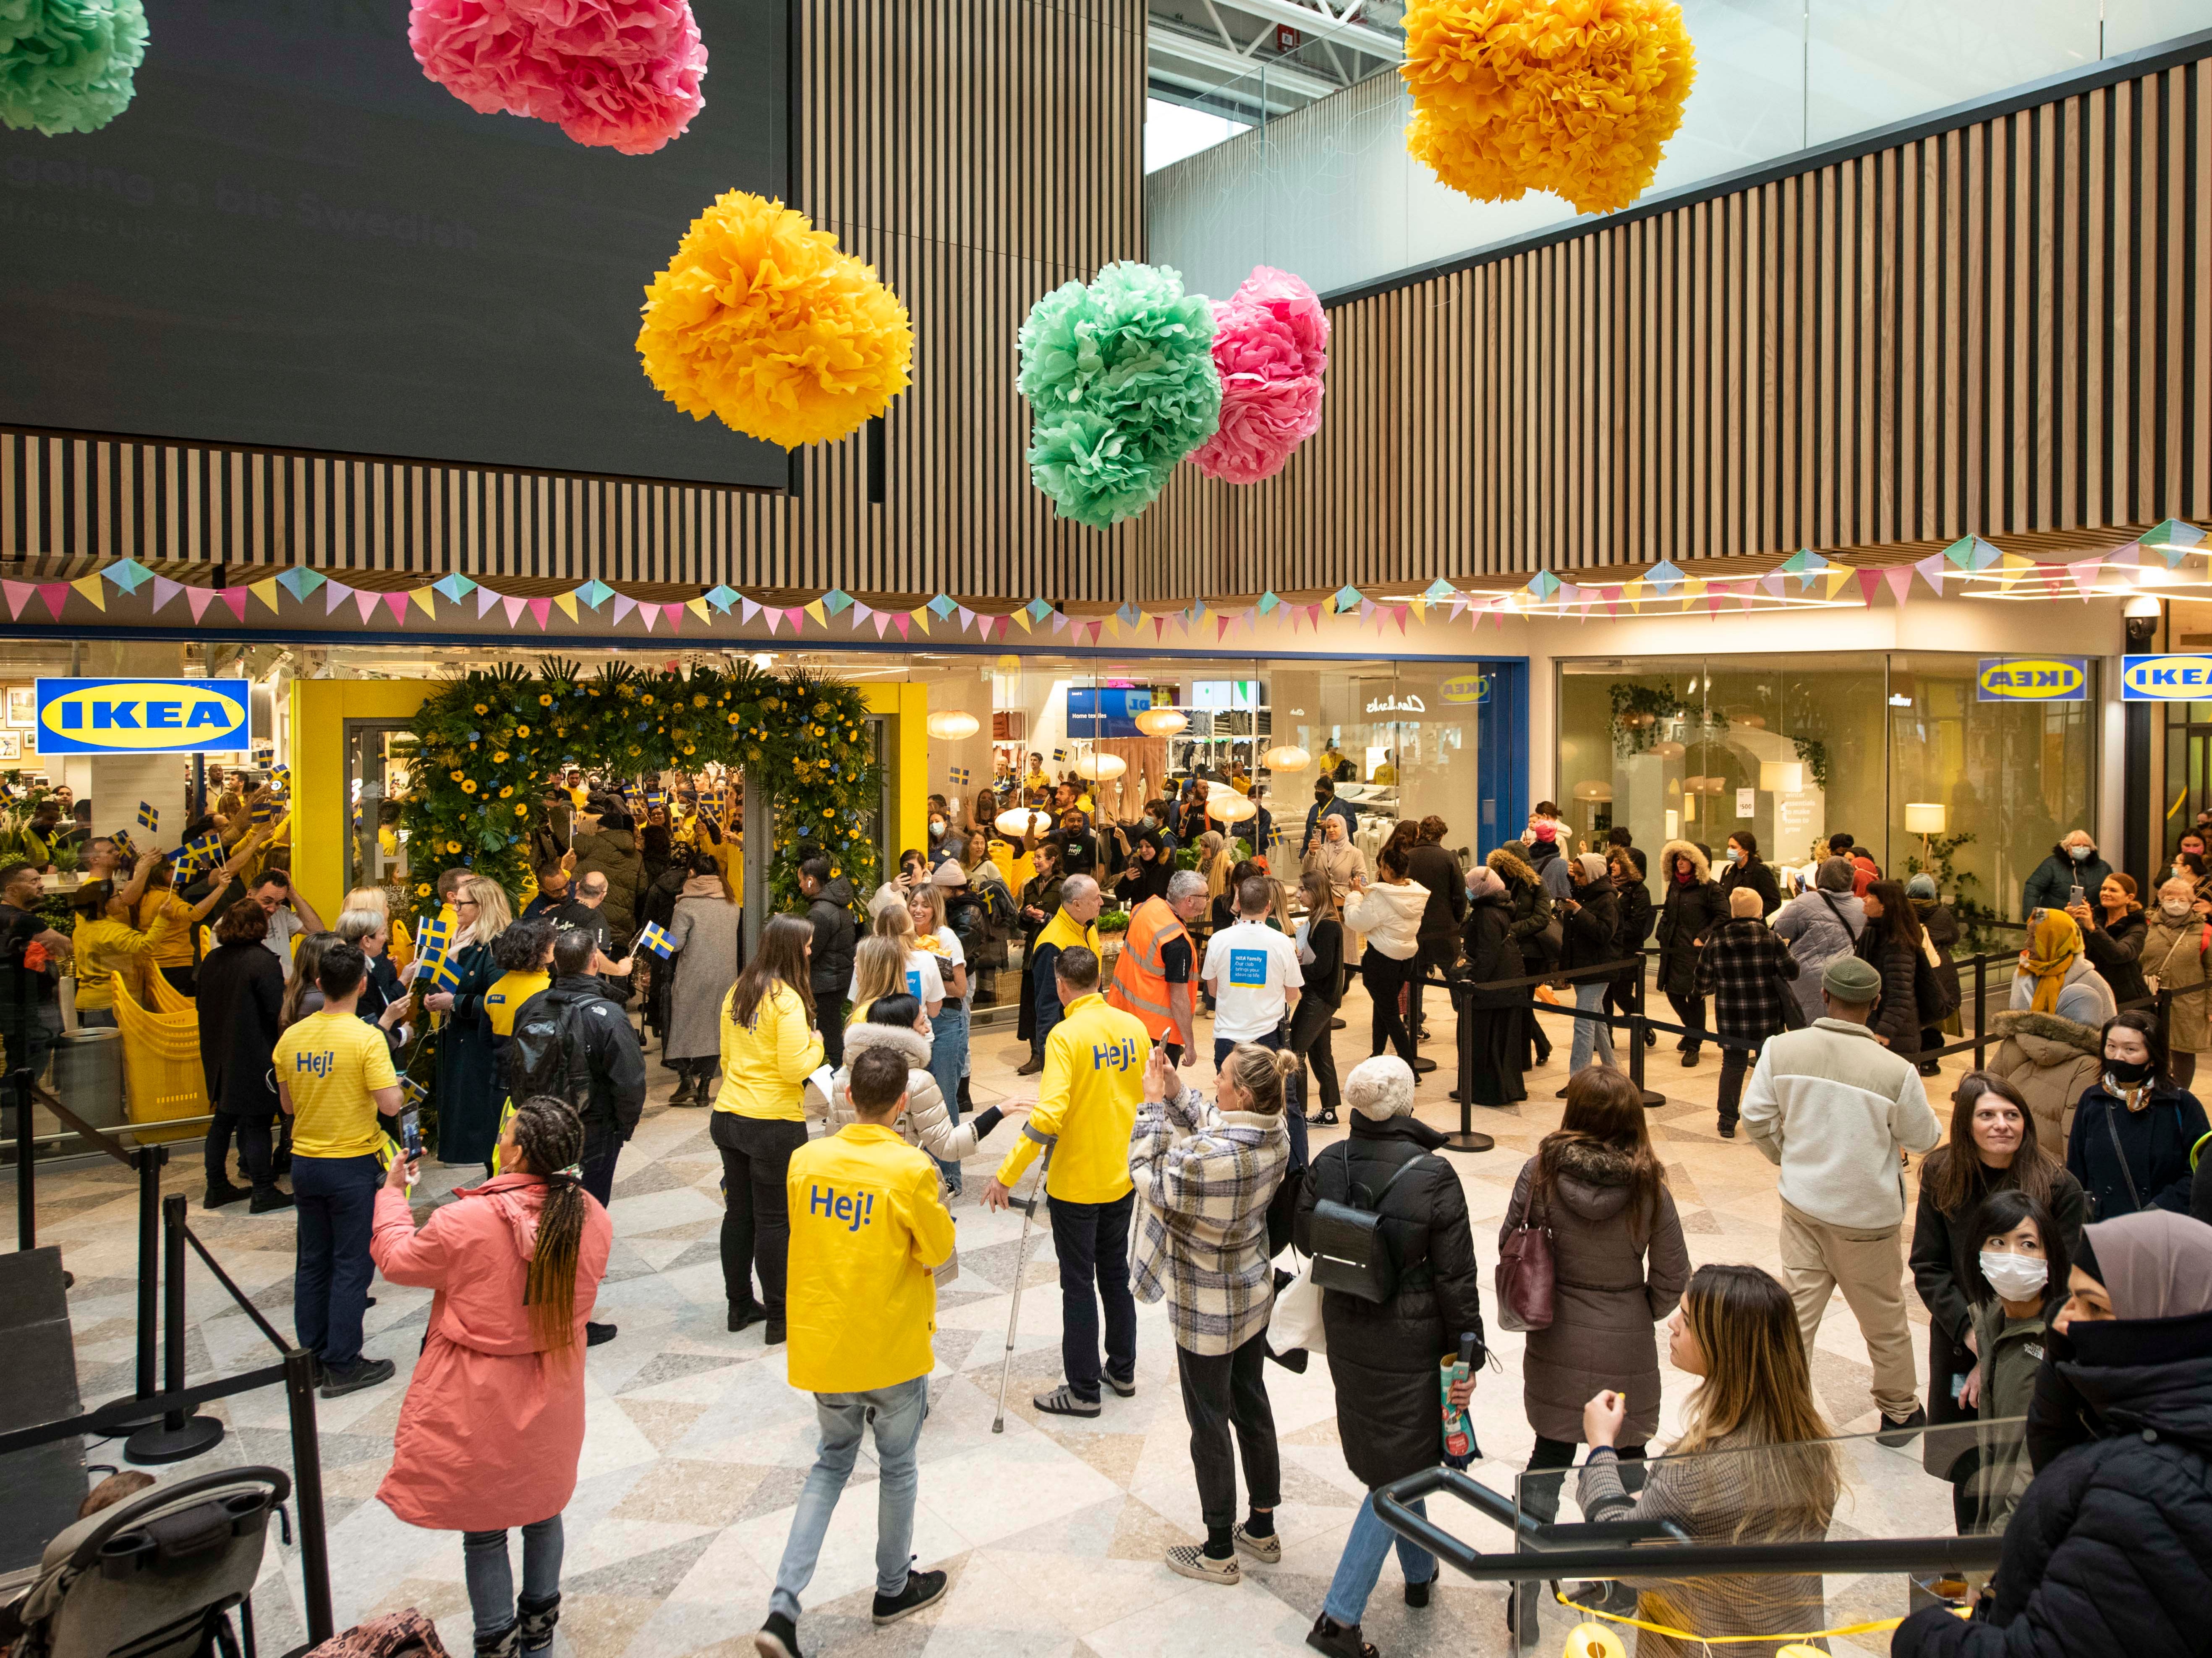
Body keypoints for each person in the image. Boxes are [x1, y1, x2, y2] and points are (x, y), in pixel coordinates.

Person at [1893, 1210, 2212, 1658]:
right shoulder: (2156, 1418)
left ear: (2166, 1326)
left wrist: (1923, 1635)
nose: (2063, 1321)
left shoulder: (2143, 1491)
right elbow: (2055, 1467)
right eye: (2071, 1299)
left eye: (2095, 1307)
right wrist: (2065, 1364)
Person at [371, 1097, 612, 1658]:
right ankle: (539, 1638)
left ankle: (495, 1639)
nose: (499, 1137)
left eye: (506, 1131)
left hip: (478, 1397)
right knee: (543, 1507)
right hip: (554, 1388)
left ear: (520, 1149)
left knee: (483, 1526)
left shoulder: (467, 1220)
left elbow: (397, 1259)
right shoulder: (591, 1215)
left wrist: (391, 1193)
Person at [754, 1044, 955, 1658]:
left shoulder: (806, 1160)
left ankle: (783, 1607)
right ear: (902, 1104)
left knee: (830, 1462)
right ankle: (892, 1587)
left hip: (827, 1344)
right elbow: (936, 1250)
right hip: (891, 1345)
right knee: (897, 1468)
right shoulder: (911, 1168)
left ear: (846, 1096)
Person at [1297, 1057, 1483, 1658]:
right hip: (1411, 1334)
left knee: (1402, 1449)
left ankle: (1420, 1572)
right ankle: (1338, 1618)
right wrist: (1467, 1346)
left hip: (1349, 1328)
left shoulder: (1328, 1161)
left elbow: (1305, 1236)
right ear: (1404, 1103)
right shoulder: (1434, 1174)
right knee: (1395, 1472)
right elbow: (1456, 1274)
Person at [1502, 1067, 1689, 1640]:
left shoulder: (1540, 1171)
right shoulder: (1649, 1184)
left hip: (1556, 1332)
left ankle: (1525, 1588)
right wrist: (1637, 1308)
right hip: (1625, 1333)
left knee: (1548, 1453)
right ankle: (1621, 1584)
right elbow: (1672, 1273)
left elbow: (1511, 1241)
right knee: (1627, 1461)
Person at [1575, 1264, 1841, 1658]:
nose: (1672, 1325)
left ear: (1726, 1345)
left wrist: (1600, 1447)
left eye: (1687, 1318)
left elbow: (1623, 1554)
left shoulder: (1694, 1470)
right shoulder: (1809, 1445)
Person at [1739, 954, 1941, 1437]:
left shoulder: (1781, 1049)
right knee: (1883, 1318)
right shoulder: (1894, 1070)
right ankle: (1899, 1411)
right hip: (1865, 1217)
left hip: (1802, 1204)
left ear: (1824, 997)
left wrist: (1784, 1156)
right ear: (1874, 1004)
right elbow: (1924, 1138)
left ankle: (1782, 1411)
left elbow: (1754, 1117)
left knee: (1796, 1316)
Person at [1128, 1041, 1294, 1584]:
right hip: (1251, 1291)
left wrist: (1152, 1104)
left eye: (1220, 1076)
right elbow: (1217, 1124)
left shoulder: (1208, 1161)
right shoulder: (1275, 1132)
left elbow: (1147, 1173)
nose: (1214, 1082)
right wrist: (1177, 1092)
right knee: (1251, 1402)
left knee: (1208, 1420)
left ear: (1241, 1091)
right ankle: (1262, 1527)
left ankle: (1219, 1547)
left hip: (1204, 1304)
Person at [983, 945, 1150, 1418]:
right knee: (1114, 1274)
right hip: (1122, 1175)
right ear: (1100, 979)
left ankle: (1082, 1390)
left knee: (1077, 1284)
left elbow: (1049, 1114)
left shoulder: (1063, 1036)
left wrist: (1006, 1173)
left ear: (1060, 985)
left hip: (1076, 1182)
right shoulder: (1132, 1027)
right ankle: (1122, 1369)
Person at [1909, 1073, 2086, 1494]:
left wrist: (1998, 1349)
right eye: (1986, 1115)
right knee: (1967, 1469)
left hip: (2029, 1344)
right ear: (1965, 1124)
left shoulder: (2058, 1186)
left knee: (2023, 1468)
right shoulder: (1941, 1173)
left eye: (2011, 1114)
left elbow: (2063, 1281)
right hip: (1959, 1338)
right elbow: (1929, 1267)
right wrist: (1975, 1339)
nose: (2000, 1124)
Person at [275, 940, 402, 1397]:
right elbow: (390, 1104)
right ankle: (343, 1363)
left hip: (305, 1161)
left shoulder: (292, 1036)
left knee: (312, 1262)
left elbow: (287, 1104)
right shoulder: (366, 1037)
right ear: (363, 984)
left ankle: (309, 1357)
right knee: (351, 1265)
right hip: (350, 1162)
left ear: (317, 983)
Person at [712, 914, 823, 1343]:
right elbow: (794, 1066)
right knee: (775, 1221)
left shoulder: (738, 990)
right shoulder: (788, 1000)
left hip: (728, 1117)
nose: (811, 952)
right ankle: (780, 1317)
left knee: (739, 1215)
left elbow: (725, 1056)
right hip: (772, 1123)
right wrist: (817, 1044)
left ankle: (738, 1304)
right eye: (808, 945)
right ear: (793, 949)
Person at [509, 925, 646, 1253]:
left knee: (544, 1208)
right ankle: (573, 1280)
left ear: (554, 963)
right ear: (595, 962)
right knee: (588, 1212)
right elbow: (629, 1082)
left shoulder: (530, 1007)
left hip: (539, 1129)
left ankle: (544, 1271)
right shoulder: (608, 1015)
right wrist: (623, 1128)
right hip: (592, 1130)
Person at [1945, 1187, 2072, 1534]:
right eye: (1997, 1242)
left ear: (2050, 1256)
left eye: (2027, 1244)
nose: (2011, 1255)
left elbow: (2034, 1471)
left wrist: (1990, 1560)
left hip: (2028, 1532)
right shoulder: (1991, 1319)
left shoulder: (2060, 1340)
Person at [820, 994, 1018, 1200]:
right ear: (906, 1031)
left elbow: (834, 1139)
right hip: (902, 1187)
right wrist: (997, 1113)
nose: (928, 1028)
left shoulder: (844, 1077)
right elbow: (948, 1146)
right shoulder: (916, 1081)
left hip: (855, 1192)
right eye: (923, 1022)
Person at [2065, 1010, 2209, 1217]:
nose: (2118, 1057)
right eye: (2111, 1046)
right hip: (2106, 1229)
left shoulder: (2181, 1105)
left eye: (2130, 1049)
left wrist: (2160, 1209)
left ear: (2153, 1056)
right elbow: (2077, 1171)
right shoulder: (2092, 1100)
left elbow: (2201, 1172)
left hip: (2164, 1226)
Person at [197, 898, 291, 1212]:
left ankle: (216, 1185)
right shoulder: (263, 962)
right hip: (254, 1053)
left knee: (223, 1119)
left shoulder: (212, 960)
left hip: (217, 1052)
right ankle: (264, 1190)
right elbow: (275, 1012)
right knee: (257, 1122)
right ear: (259, 926)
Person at [1695, 887, 1800, 1137]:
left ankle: (1727, 1121)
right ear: (1759, 911)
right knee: (1769, 1067)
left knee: (1733, 1065)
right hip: (1768, 1016)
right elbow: (1792, 972)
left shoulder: (1716, 939)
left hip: (1731, 1018)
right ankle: (1769, 1119)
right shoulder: (1770, 938)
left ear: (1733, 911)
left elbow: (1701, 982)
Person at [427, 876, 512, 1174]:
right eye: (455, 902)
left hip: (478, 1044)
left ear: (482, 906)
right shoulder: (458, 941)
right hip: (456, 1037)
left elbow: (498, 1000)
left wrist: (453, 1002)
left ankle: (476, 1150)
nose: (456, 908)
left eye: (461, 903)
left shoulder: (495, 947)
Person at [662, 851, 741, 1106]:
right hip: (725, 977)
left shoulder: (686, 905)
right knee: (714, 1030)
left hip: (693, 976)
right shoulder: (731, 902)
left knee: (682, 1026)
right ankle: (705, 1089)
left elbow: (673, 946)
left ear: (692, 873)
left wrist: (654, 938)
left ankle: (687, 1080)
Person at [1208, 872, 1307, 1069]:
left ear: (1239, 903)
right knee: (1268, 1098)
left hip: (1227, 1037)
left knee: (1229, 1096)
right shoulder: (1282, 942)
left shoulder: (1218, 940)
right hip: (1268, 1038)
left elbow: (1213, 991)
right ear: (1268, 906)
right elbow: (1292, 994)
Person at [1107, 868, 1205, 1067]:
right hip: (1157, 1036)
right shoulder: (1177, 942)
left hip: (1123, 1018)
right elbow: (1179, 999)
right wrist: (1190, 1043)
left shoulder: (1146, 908)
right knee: (1156, 1091)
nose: (1208, 900)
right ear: (1190, 900)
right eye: (1206, 896)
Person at [907, 878, 970, 1181]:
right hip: (914, 1024)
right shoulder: (904, 937)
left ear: (936, 908)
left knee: (944, 1099)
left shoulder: (946, 938)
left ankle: (950, 1176)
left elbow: (961, 988)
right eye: (914, 904)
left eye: (925, 905)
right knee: (919, 1101)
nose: (918, 910)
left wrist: (929, 976)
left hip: (946, 1022)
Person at [1453, 866, 1528, 1108]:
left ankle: (1484, 1091)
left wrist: (1472, 983)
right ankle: (1504, 1089)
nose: (1468, 890)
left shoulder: (1486, 914)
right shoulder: (1500, 909)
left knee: (1483, 1038)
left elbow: (1486, 954)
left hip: (1494, 985)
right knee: (1500, 1039)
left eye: (1470, 885)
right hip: (1508, 982)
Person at [1654, 839, 1727, 1067]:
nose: (1680, 863)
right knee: (1673, 993)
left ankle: (1694, 1044)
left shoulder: (1711, 888)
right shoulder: (1675, 885)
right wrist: (1661, 932)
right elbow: (1668, 912)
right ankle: (1694, 1031)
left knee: (1695, 997)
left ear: (1698, 863)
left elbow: (1724, 916)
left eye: (1686, 859)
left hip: (1694, 952)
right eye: (1678, 859)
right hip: (1673, 949)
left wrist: (1703, 937)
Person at [1020, 872, 1101, 1077]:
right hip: (1071, 1040)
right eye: (1096, 898)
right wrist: (1050, 1060)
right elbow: (1046, 1006)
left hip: (1091, 1032)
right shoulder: (1052, 943)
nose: (1101, 902)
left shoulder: (1087, 927)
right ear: (1077, 905)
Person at [1770, 856, 1866, 1029]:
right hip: (1842, 976)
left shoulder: (1805, 901)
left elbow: (1780, 929)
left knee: (1804, 1031)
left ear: (1821, 876)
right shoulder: (1861, 908)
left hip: (1803, 977)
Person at [1554, 851, 1622, 1084]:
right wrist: (1565, 971)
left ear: (1593, 874)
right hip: (1582, 967)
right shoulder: (1581, 895)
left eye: (1582, 875)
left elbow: (1604, 933)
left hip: (1598, 969)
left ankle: (1579, 1080)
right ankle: (1612, 1069)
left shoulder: (1608, 899)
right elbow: (1570, 938)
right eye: (1576, 874)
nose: (1578, 879)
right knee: (1597, 1020)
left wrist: (1579, 913)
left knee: (1583, 1023)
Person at [2139, 874, 2211, 1090]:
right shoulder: (2146, 926)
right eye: (2171, 898)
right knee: (2146, 1048)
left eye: (2183, 899)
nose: (2176, 904)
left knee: (2183, 1053)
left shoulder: (2204, 931)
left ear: (2192, 902)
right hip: (2149, 999)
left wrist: (2210, 1007)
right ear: (2161, 900)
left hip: (2189, 1003)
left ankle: (2179, 1097)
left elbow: (2211, 972)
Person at [0, 860, 69, 1083]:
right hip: (29, 1009)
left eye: (40, 879)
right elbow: (65, 945)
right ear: (12, 890)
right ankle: (15, 1115)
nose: (41, 885)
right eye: (33, 881)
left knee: (20, 1064)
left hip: (17, 1007)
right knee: (26, 1071)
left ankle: (14, 1114)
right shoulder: (22, 919)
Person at [1289, 870, 1346, 1125]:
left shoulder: (1327, 925)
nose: (1299, 894)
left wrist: (1296, 968)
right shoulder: (1320, 921)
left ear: (1316, 892)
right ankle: (1330, 1109)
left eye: (1303, 889)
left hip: (1319, 997)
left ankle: (1298, 1112)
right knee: (1322, 1054)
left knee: (1295, 1051)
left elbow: (1323, 967)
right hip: (1323, 996)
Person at [1854, 879, 1932, 1058]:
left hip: (1896, 1034)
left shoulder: (1897, 943)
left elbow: (1901, 995)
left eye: (1871, 896)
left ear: (1884, 906)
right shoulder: (1874, 932)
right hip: (1877, 1022)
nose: (1865, 899)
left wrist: (1883, 1033)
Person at [1406, 816, 1465, 1041]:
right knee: (1456, 975)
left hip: (1415, 926)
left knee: (1417, 978)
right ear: (1441, 835)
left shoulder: (1409, 856)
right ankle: (1465, 1016)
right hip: (1445, 928)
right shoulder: (1448, 858)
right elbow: (1460, 894)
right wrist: (1457, 920)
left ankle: (1415, 1024)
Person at [797, 856, 858, 1066]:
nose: (800, 885)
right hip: (837, 979)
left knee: (828, 1035)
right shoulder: (838, 905)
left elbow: (810, 951)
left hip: (824, 984)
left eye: (801, 879)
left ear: (811, 880)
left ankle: (840, 1076)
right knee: (830, 1030)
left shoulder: (820, 913)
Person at [67, 877, 152, 1028]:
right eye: (116, 895)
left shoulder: (82, 929)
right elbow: (146, 946)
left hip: (90, 1002)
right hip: (111, 1003)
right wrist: (163, 920)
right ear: (105, 906)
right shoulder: (111, 931)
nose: (121, 899)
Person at [1906, 873, 1963, 1074]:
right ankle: (1930, 1062)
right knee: (1935, 1020)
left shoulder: (1903, 912)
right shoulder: (1943, 914)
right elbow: (1955, 937)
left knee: (1913, 1016)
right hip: (1939, 969)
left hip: (1911, 967)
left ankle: (1912, 1060)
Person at [2075, 869, 2148, 1008]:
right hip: (2089, 991)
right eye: (2104, 889)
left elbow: (2120, 955)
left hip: (2124, 998)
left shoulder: (2137, 927)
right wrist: (2071, 921)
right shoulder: (2093, 918)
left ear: (2129, 897)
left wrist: (2093, 929)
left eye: (2113, 890)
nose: (2106, 893)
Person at [571, 807, 643, 943]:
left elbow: (567, 837)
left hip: (591, 921)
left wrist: (556, 809)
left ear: (602, 827)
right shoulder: (636, 855)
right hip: (621, 927)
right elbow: (642, 888)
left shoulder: (591, 844)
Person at [1604, 845, 1654, 1032]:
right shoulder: (1608, 885)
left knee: (1622, 995)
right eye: (1613, 861)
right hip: (1607, 951)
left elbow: (1638, 925)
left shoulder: (1640, 892)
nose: (1614, 866)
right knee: (1605, 996)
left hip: (1627, 952)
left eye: (1619, 862)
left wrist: (1613, 931)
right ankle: (1606, 1037)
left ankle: (1644, 1025)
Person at [2021, 828, 2114, 927]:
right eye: (2077, 846)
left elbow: (2111, 893)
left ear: (2091, 849)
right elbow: (2033, 889)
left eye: (2086, 846)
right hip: (2056, 924)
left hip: (2091, 924)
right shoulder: (2052, 864)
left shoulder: (2103, 867)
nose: (2082, 849)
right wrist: (2035, 920)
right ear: (2067, 847)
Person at [248, 867, 324, 977]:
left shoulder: (281, 914)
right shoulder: (229, 925)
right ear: (250, 894)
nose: (272, 909)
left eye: (278, 903)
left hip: (286, 990)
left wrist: (293, 895)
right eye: (267, 902)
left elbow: (319, 932)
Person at [1718, 830, 1781, 917]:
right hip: (1729, 924)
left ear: (1746, 850)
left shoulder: (1760, 871)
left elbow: (1775, 901)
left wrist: (1754, 914)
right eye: (1729, 847)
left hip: (1751, 925)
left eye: (1733, 847)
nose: (1729, 850)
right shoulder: (1728, 870)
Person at [1302, 775, 1358, 853]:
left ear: (1331, 792)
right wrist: (1304, 853)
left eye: (1321, 789)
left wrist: (1329, 826)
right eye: (1317, 789)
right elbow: (1308, 833)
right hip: (1316, 852)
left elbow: (1353, 826)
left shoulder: (1344, 806)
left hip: (1338, 852)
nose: (1318, 792)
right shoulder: (1314, 808)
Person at [519, 858, 572, 923]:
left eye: (566, 885)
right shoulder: (533, 915)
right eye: (557, 891)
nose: (565, 893)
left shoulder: (577, 889)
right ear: (541, 889)